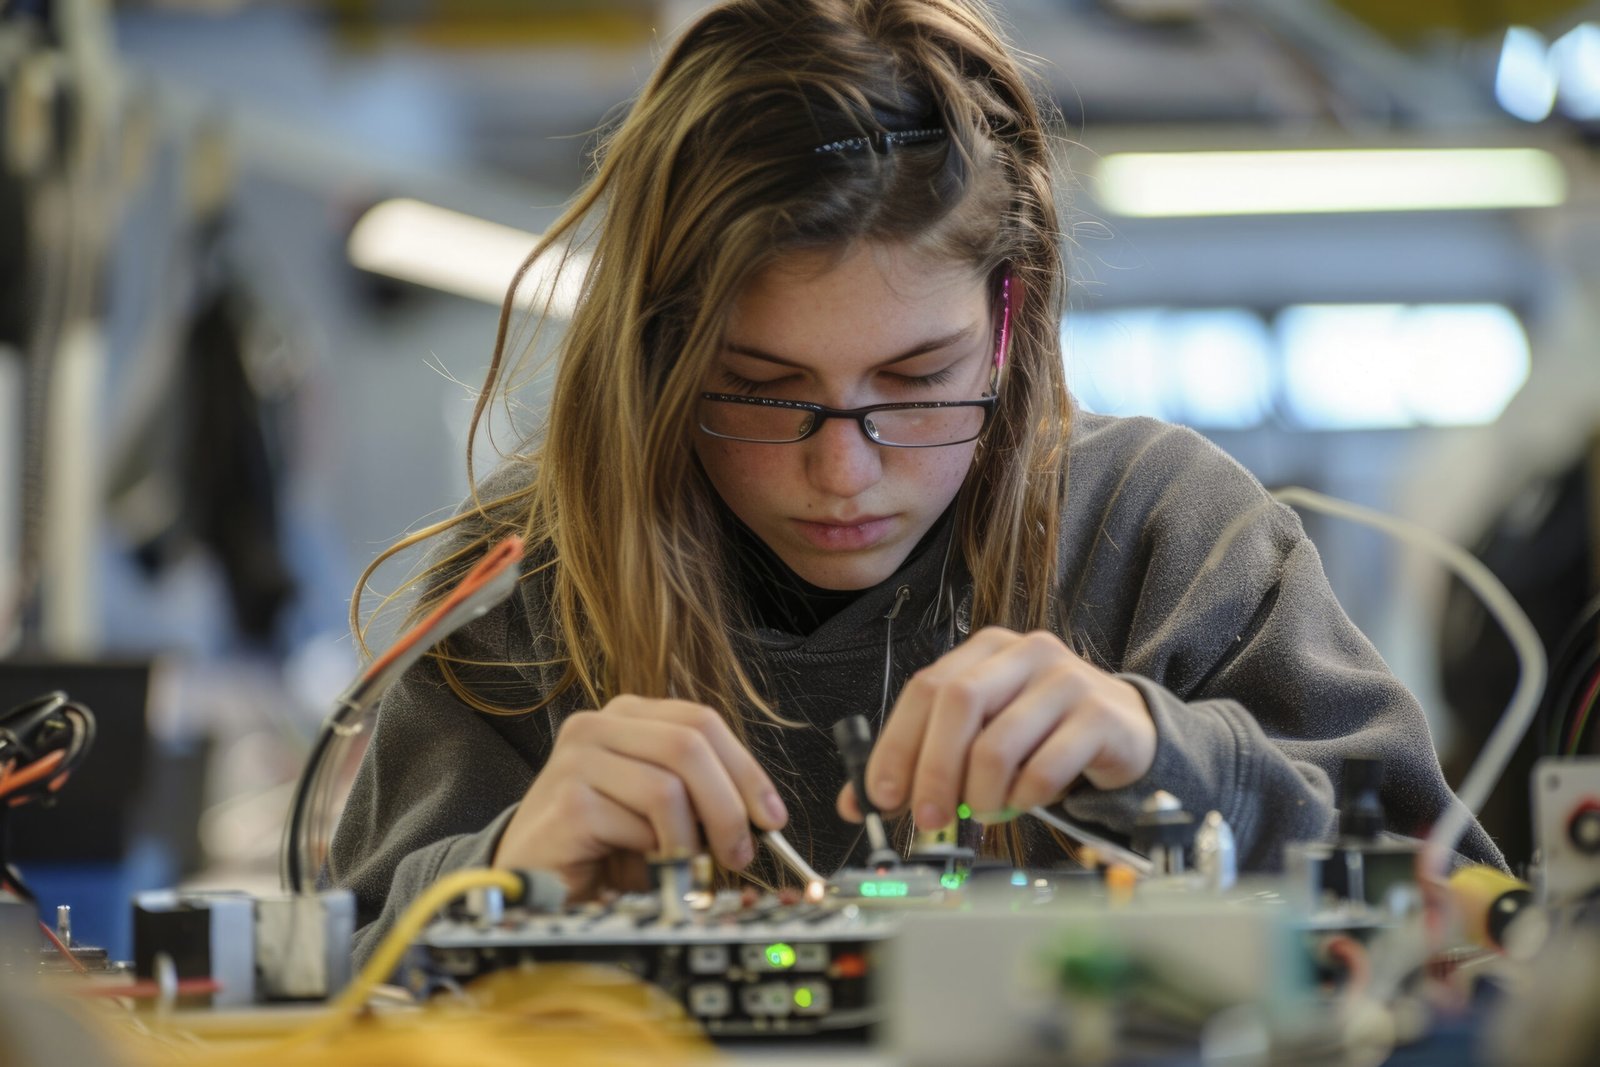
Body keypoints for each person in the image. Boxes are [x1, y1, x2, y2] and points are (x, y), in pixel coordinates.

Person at [328, 0, 1501, 959]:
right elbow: (327, 975)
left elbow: (1475, 920)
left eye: (915, 379)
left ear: (1012, 315)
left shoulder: (1168, 537)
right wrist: (490, 880)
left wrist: (1174, 761)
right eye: (760, 386)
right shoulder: (526, 587)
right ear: (655, 357)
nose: (841, 469)